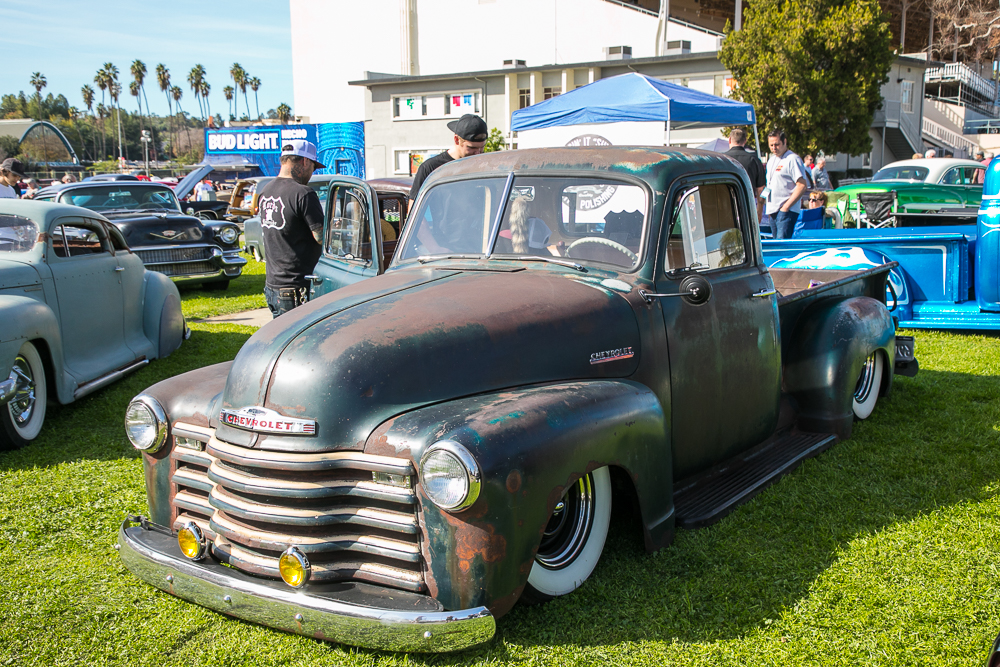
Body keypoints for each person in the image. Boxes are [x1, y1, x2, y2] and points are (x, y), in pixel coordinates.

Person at [257, 139, 325, 318]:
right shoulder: (303, 193)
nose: (312, 172)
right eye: (313, 167)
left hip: (273, 285)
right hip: (296, 288)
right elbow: (322, 238)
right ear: (305, 161)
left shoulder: (266, 191)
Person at [408, 114, 488, 208]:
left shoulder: (485, 165)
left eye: (481, 147)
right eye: (472, 148)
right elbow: (413, 208)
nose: (477, 153)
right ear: (456, 140)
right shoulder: (431, 168)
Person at [762, 129, 809, 239]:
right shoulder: (771, 160)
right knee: (775, 244)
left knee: (781, 244)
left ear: (784, 142)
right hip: (772, 210)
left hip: (785, 210)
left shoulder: (792, 159)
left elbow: (802, 185)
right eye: (771, 145)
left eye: (777, 144)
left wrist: (786, 207)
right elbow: (770, 185)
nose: (774, 148)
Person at [724, 128, 766, 221]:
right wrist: (759, 211)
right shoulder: (754, 160)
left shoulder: (722, 159)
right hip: (748, 206)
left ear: (730, 140)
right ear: (745, 141)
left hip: (726, 206)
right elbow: (761, 189)